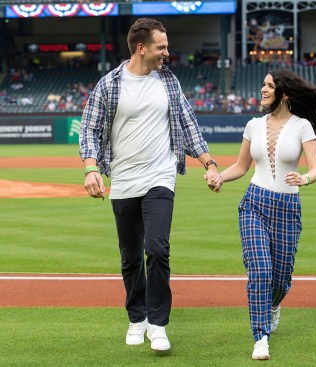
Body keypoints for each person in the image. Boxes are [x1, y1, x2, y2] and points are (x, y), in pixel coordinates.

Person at [79, 18, 219, 352]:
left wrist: (210, 163)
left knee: (157, 249)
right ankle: (136, 317)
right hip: (124, 179)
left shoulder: (168, 81)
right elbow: (89, 129)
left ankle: (157, 324)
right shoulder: (110, 84)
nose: (166, 53)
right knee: (129, 257)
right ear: (141, 48)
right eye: (161, 47)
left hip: (161, 176)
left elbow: (188, 124)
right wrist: (90, 169)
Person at [208, 69, 316, 360]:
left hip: (287, 207)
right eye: (263, 84)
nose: (263, 89)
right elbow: (241, 167)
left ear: (284, 93)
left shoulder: (302, 126)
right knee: (260, 270)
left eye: (269, 86)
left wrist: (305, 179)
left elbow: (315, 168)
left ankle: (273, 304)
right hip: (254, 203)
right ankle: (261, 337)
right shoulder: (253, 125)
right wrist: (219, 177)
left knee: (280, 279)